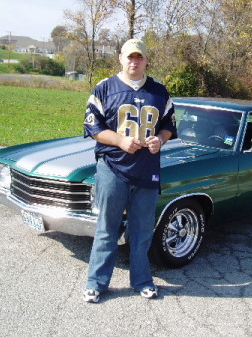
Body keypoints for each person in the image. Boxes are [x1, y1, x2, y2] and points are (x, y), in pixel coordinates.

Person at [82, 39, 177, 303]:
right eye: (129, 57)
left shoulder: (159, 91)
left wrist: (161, 138)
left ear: (147, 60)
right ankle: (96, 283)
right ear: (120, 58)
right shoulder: (104, 88)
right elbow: (94, 129)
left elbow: (169, 124)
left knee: (142, 229)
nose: (134, 62)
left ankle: (142, 280)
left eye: (139, 57)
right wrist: (121, 141)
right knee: (107, 227)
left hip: (147, 170)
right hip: (112, 167)